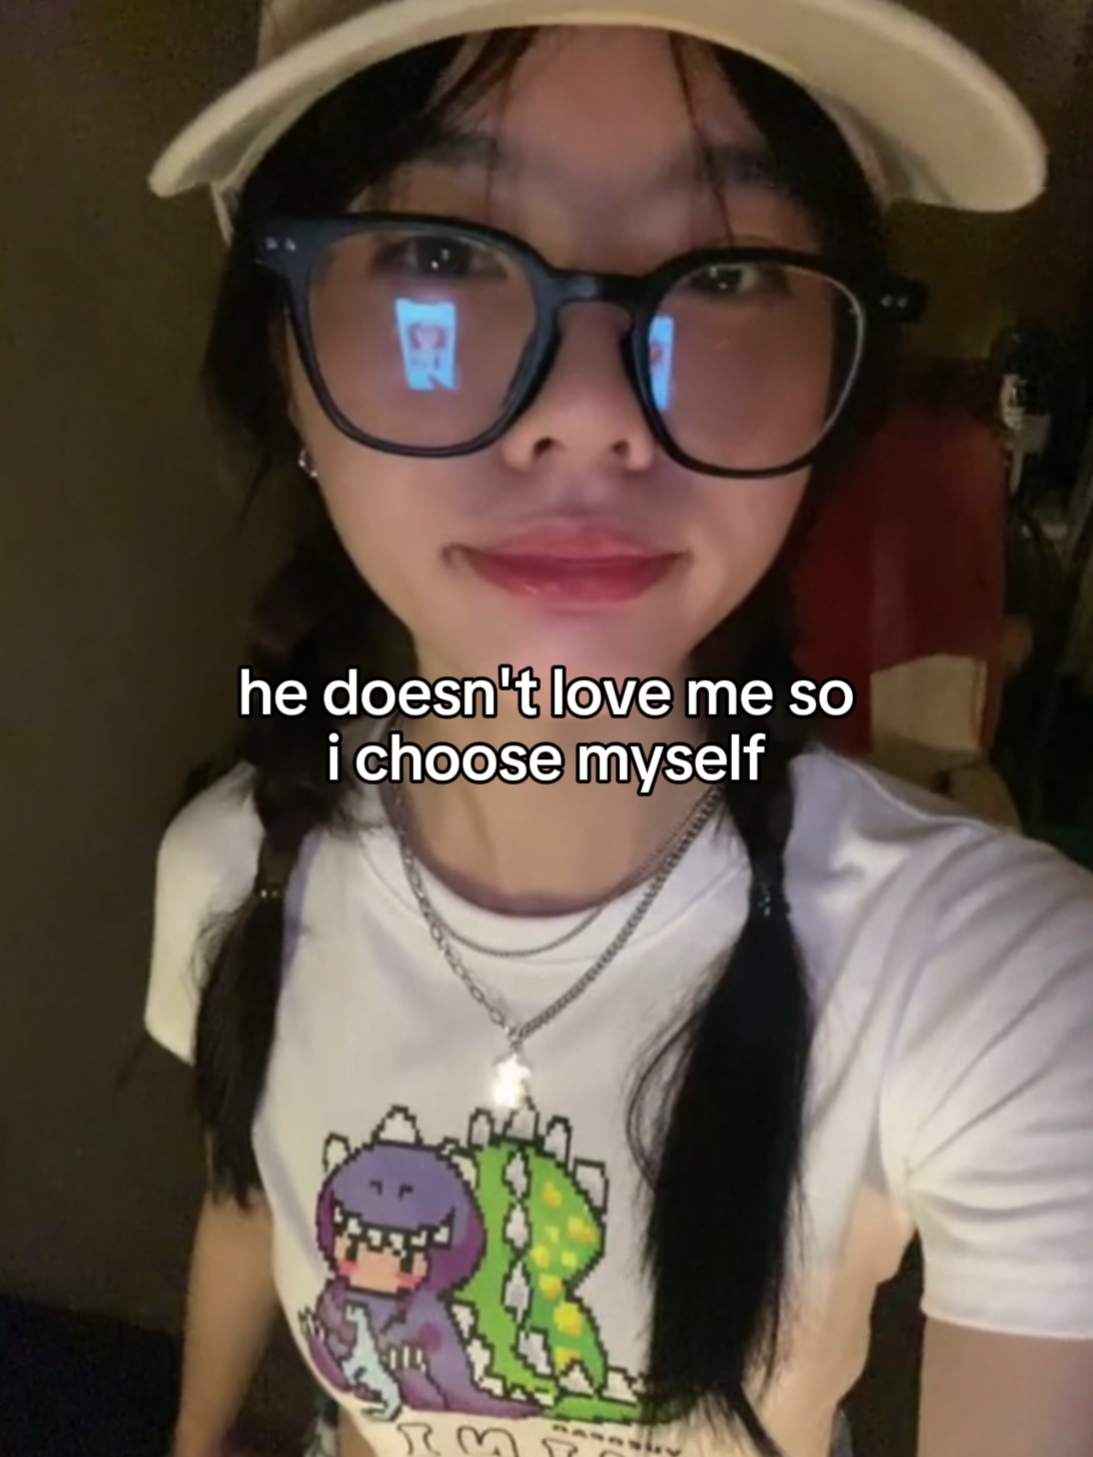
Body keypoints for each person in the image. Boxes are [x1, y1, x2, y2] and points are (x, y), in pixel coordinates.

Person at [141, 2, 1093, 1456]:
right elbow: (247, 1195)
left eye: (727, 270)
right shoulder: (231, 866)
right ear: (286, 367)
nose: (594, 412)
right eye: (443, 254)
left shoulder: (994, 980)